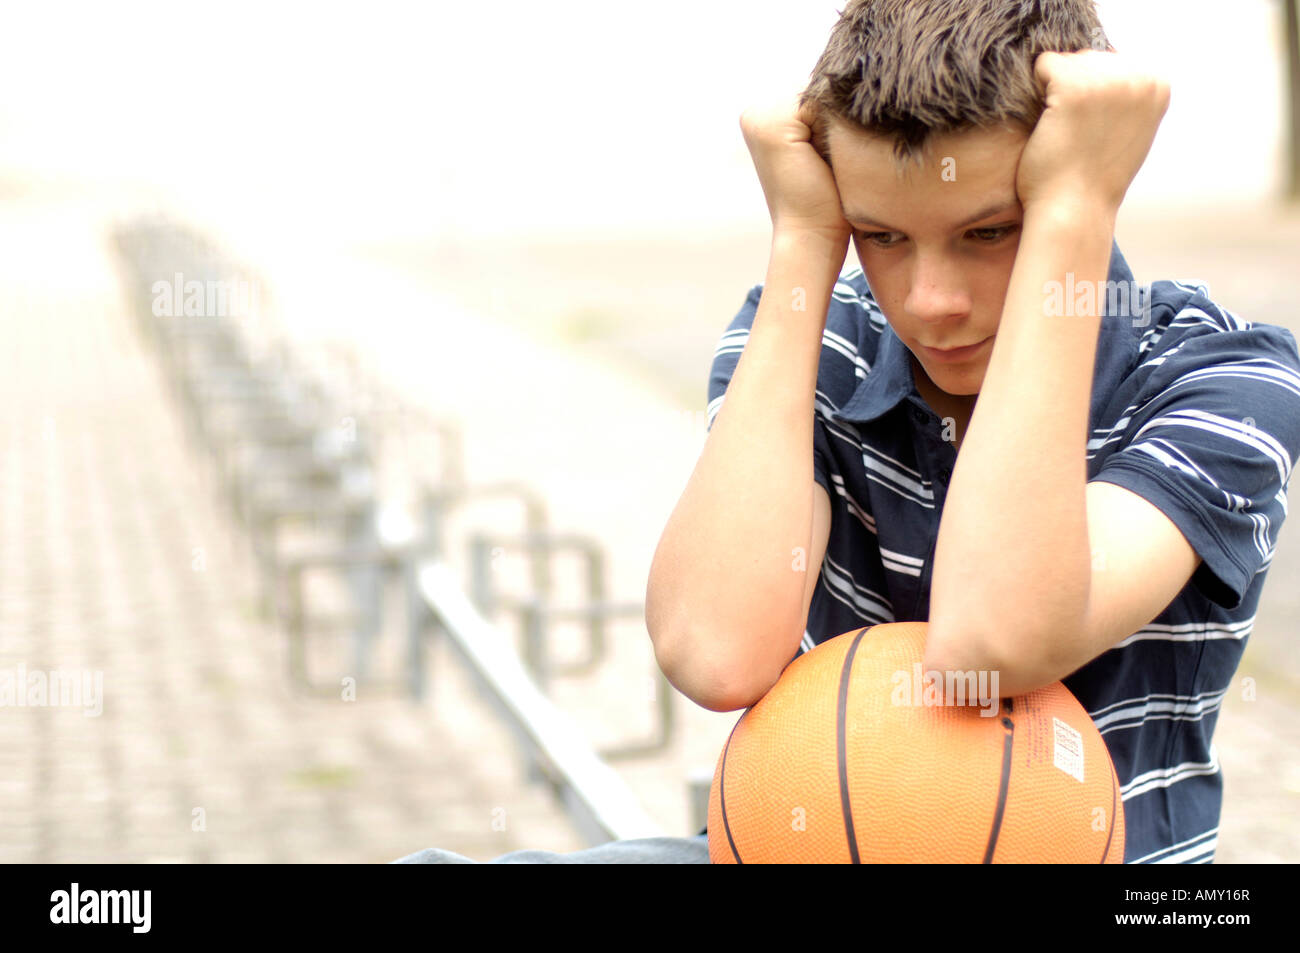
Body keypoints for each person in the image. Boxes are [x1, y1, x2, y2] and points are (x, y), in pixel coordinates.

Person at [395, 0, 1300, 864]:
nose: (930, 302)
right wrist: (802, 237)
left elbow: (990, 641)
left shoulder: (1224, 379)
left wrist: (1074, 213)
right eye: (882, 235)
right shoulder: (815, 331)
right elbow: (714, 650)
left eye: (989, 231)